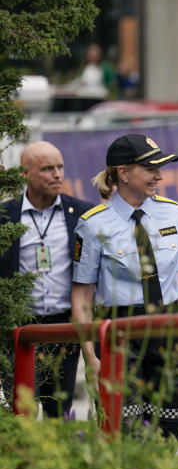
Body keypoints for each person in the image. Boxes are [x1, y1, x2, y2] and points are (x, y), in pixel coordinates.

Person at [72, 134, 178, 439]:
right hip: (120, 334)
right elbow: (82, 298)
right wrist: (90, 357)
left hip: (171, 332)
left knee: (171, 425)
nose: (159, 175)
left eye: (160, 168)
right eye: (150, 168)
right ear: (124, 173)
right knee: (123, 430)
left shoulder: (172, 212)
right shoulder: (93, 224)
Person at [1, 141, 95, 417]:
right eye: (47, 169)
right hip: (17, 333)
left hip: (63, 328)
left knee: (59, 413)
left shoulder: (81, 214)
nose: (57, 174)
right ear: (25, 174)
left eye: (60, 167)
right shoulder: (5, 217)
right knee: (21, 412)